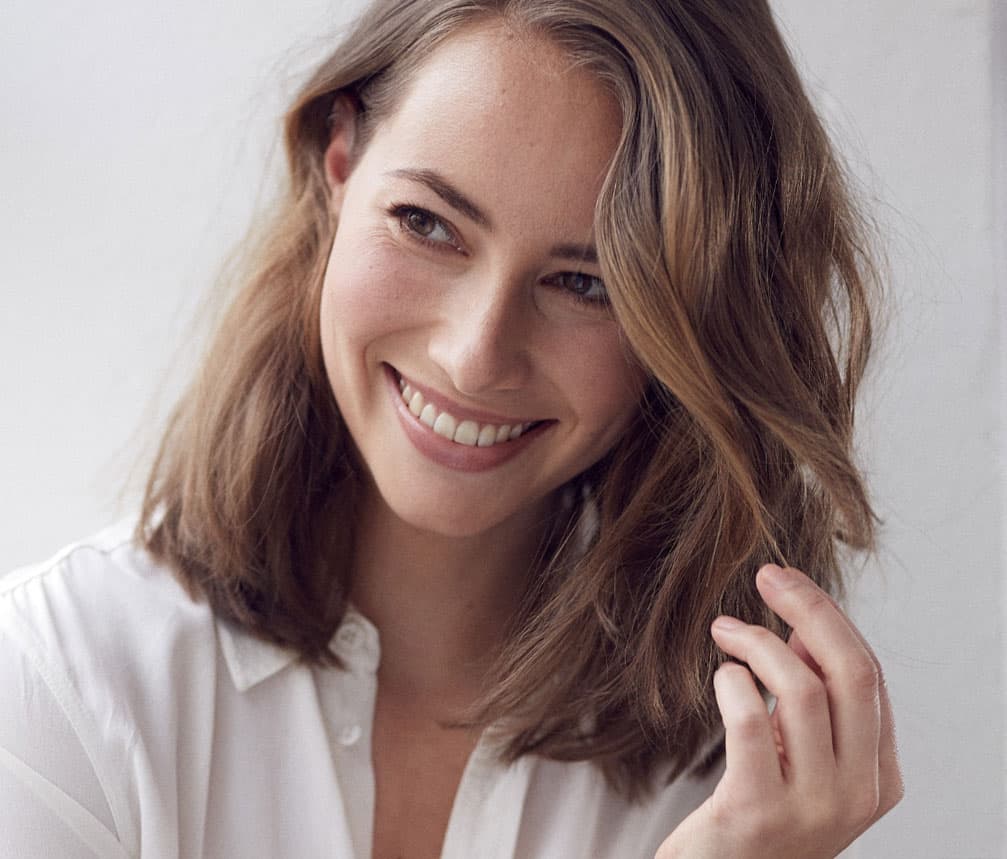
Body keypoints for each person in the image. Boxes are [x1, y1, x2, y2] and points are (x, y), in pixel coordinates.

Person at [0, 1, 902, 856]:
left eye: (586, 284)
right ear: (340, 161)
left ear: (692, 329)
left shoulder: (738, 779)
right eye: (426, 224)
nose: (475, 356)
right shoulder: (63, 681)